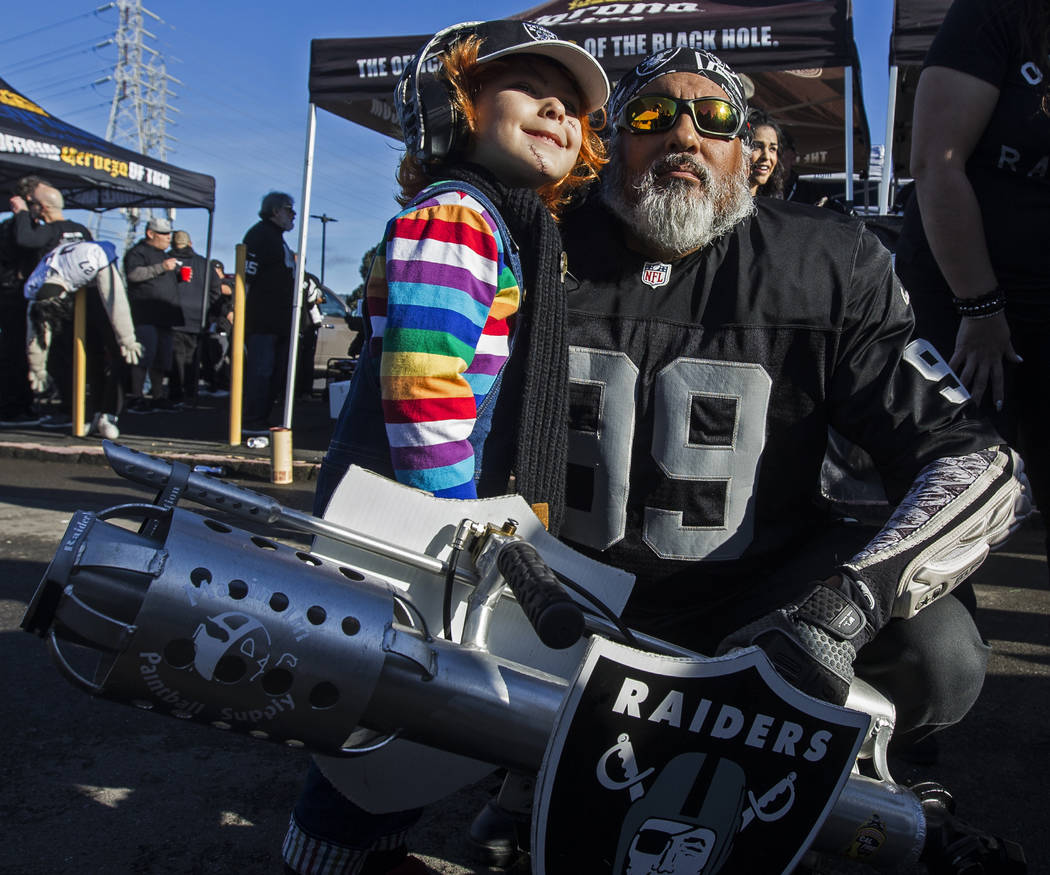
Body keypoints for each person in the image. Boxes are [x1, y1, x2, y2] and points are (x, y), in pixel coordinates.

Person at [466, 44, 1031, 864]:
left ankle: (858, 764)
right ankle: (530, 755)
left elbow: (981, 466)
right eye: (653, 116)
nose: (684, 135)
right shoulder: (533, 241)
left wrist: (844, 609)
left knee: (938, 646)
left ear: (747, 151)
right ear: (612, 140)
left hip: (764, 613)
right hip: (566, 602)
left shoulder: (829, 260)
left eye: (716, 117)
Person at [281, 19, 609, 875]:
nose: (557, 110)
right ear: (451, 104)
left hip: (426, 513)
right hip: (414, 516)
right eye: (528, 87)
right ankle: (326, 859)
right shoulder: (460, 218)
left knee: (417, 700)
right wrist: (462, 529)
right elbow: (427, 385)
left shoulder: (507, 225)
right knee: (386, 704)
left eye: (573, 106)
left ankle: (369, 849)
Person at [894, 0, 1050, 574]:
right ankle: (943, 651)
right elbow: (937, 163)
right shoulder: (997, 13)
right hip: (963, 293)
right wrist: (981, 308)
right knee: (953, 495)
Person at [22, 239, 142, 439]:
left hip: (96, 277)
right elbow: (36, 332)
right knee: (89, 354)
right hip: (68, 280)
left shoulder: (91, 259)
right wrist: (37, 368)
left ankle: (109, 414)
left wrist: (127, 338)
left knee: (118, 353)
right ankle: (95, 413)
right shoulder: (35, 286)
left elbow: (115, 299)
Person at [9, 181, 92, 427]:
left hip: (51, 305)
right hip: (79, 303)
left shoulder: (51, 231)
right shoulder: (81, 231)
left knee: (53, 357)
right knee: (75, 357)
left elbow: (24, 239)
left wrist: (21, 213)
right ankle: (76, 410)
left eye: (33, 204)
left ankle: (70, 411)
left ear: (42, 207)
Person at [241, 191, 298, 432]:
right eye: (289, 210)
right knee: (261, 372)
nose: (293, 216)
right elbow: (245, 277)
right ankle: (251, 419)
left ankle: (261, 416)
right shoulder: (260, 235)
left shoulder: (277, 238)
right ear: (276, 211)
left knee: (275, 373)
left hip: (278, 320)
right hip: (262, 320)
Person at [0, 175, 48, 427]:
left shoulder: (29, 224)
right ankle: (11, 406)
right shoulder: (16, 226)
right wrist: (21, 214)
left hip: (23, 293)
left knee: (27, 350)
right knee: (15, 350)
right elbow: (23, 241)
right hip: (12, 293)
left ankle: (24, 401)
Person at [124, 215, 182, 413]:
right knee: (143, 357)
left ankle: (158, 396)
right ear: (151, 233)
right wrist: (161, 268)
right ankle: (137, 396)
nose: (168, 238)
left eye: (170, 234)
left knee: (161, 359)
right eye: (164, 234)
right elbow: (133, 275)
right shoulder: (137, 253)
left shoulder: (166, 255)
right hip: (145, 315)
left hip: (165, 316)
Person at [167, 230, 213, 406]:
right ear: (190, 243)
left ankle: (176, 392)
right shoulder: (203, 263)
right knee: (193, 357)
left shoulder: (167, 262)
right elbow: (215, 289)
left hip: (174, 314)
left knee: (176, 357)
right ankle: (191, 392)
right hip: (197, 315)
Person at [745, 107, 784, 197]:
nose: (766, 156)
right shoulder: (717, 206)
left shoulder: (774, 205)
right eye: (757, 146)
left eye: (772, 149)